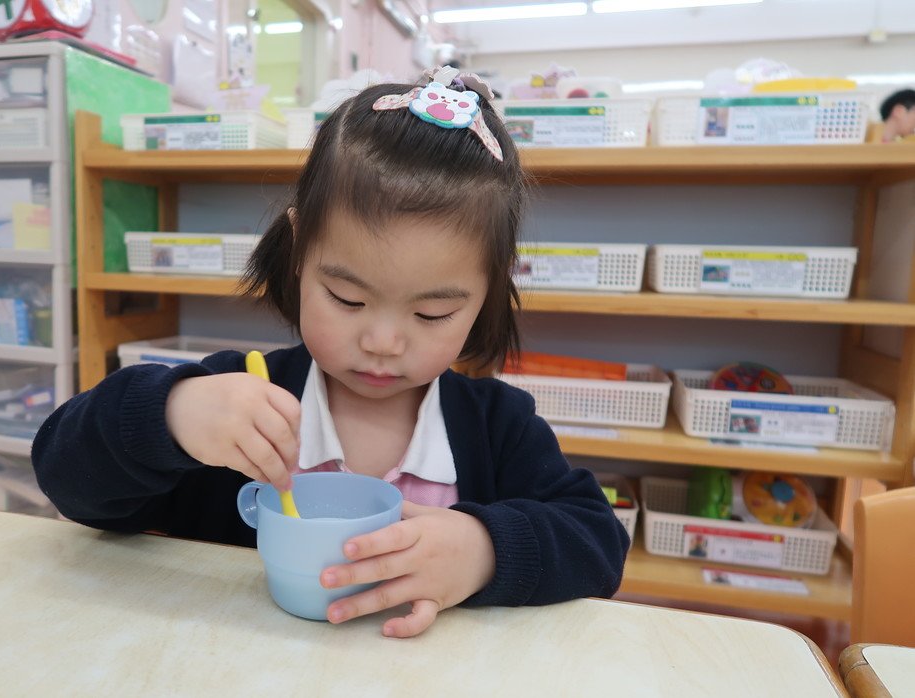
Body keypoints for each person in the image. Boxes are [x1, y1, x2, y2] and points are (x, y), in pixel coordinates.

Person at [32, 66, 629, 638]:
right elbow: (66, 478)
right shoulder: (240, 397)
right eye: (347, 299)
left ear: (489, 289)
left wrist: (484, 550)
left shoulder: (498, 428)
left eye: (431, 314)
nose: (382, 342)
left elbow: (598, 544)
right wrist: (170, 416)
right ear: (299, 252)